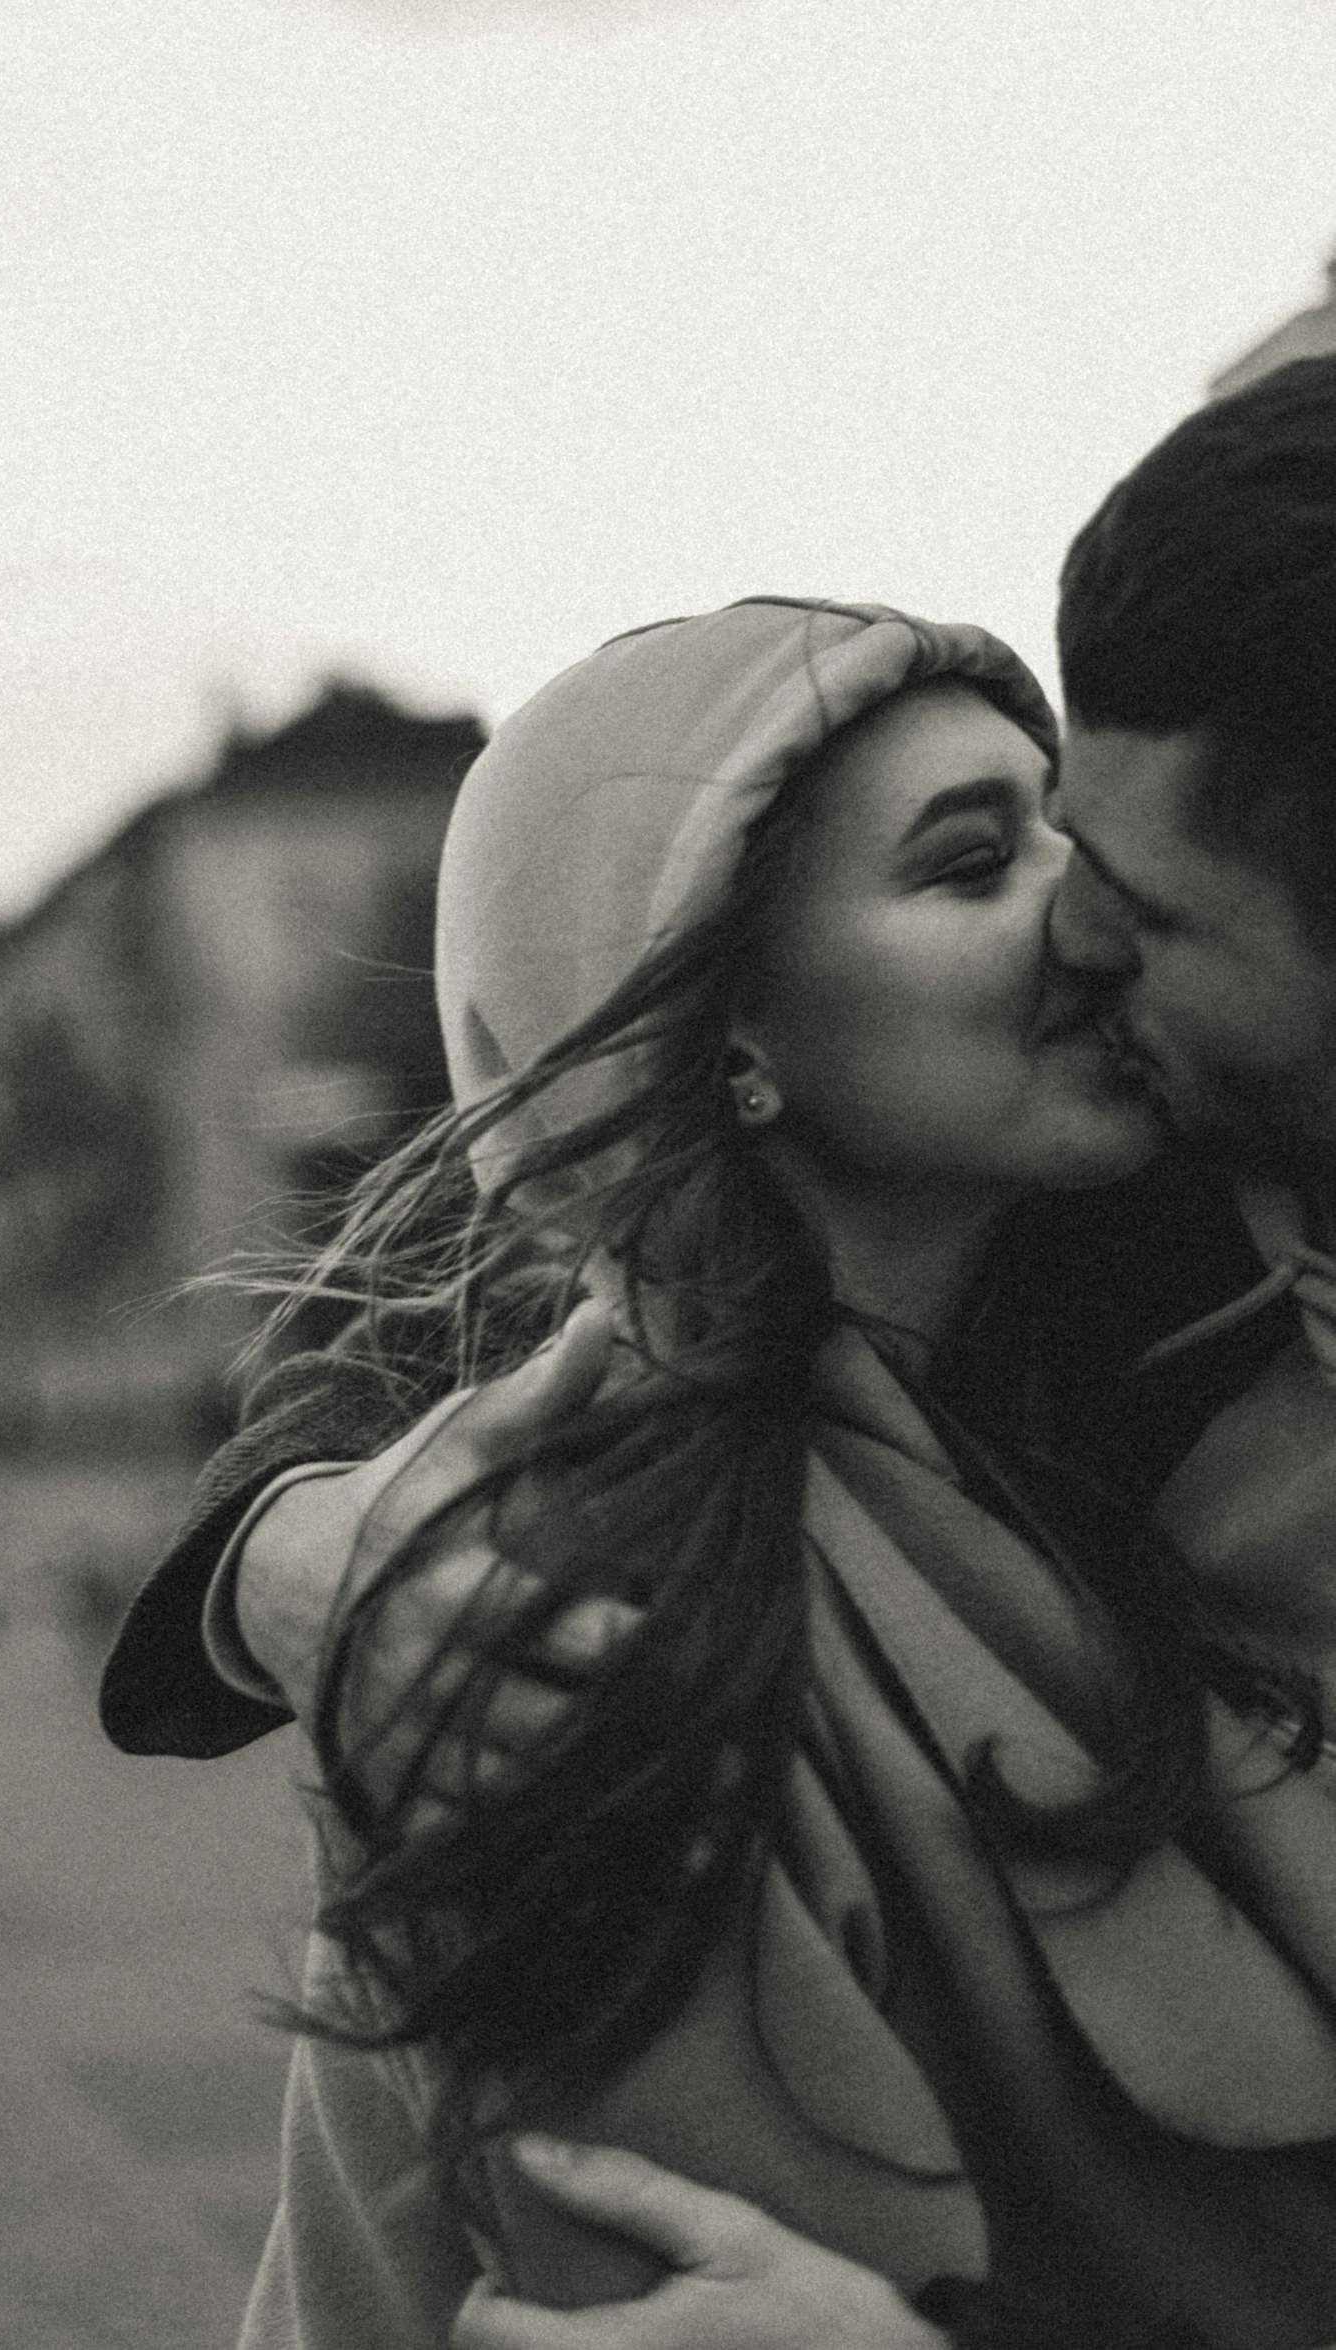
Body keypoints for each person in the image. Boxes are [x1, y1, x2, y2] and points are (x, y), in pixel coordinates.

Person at [105, 585, 1336, 2349]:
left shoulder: (1128, 1332)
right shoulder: (562, 1600)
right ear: (719, 1024)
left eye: (1067, 828)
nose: (1087, 911)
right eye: (968, 863)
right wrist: (277, 1542)